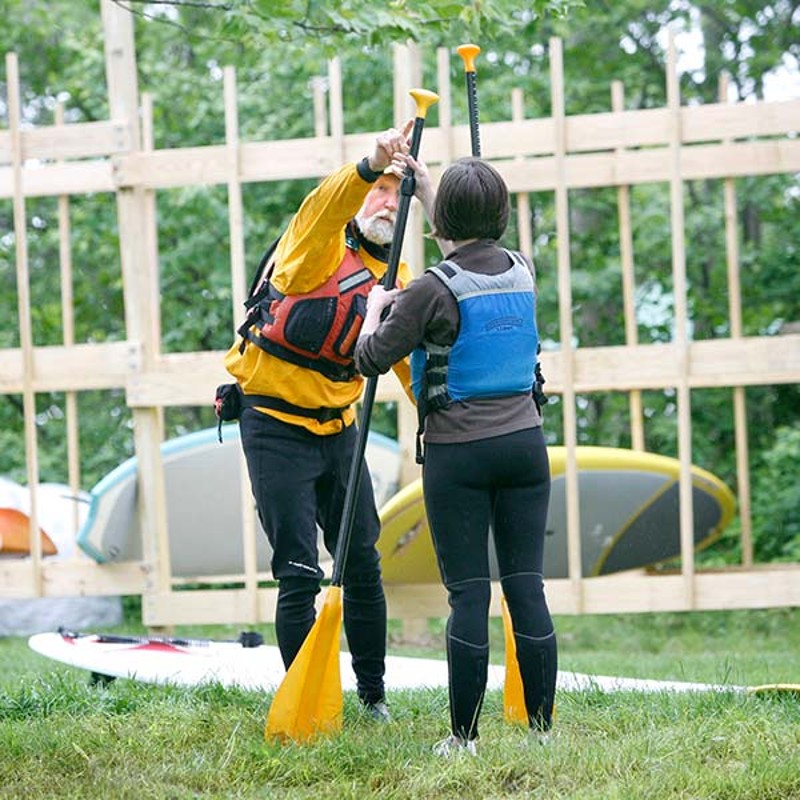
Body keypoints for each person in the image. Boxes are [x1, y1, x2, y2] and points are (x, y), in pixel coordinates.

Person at [354, 156, 557, 754]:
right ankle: (541, 733)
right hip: (525, 446)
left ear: (440, 218)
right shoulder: (524, 271)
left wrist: (373, 310)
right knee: (527, 589)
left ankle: (463, 739)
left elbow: (369, 359)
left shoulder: (427, 290)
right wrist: (426, 191)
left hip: (459, 456)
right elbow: (463, 238)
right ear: (500, 214)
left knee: (469, 594)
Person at [223, 124, 416, 722]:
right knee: (299, 571)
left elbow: (411, 367)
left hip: (338, 430)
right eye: (377, 189)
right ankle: (306, 701)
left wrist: (443, 422)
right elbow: (323, 207)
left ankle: (373, 697)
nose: (385, 199)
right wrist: (371, 162)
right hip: (274, 426)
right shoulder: (315, 248)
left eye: (394, 191)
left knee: (361, 561)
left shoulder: (398, 280)